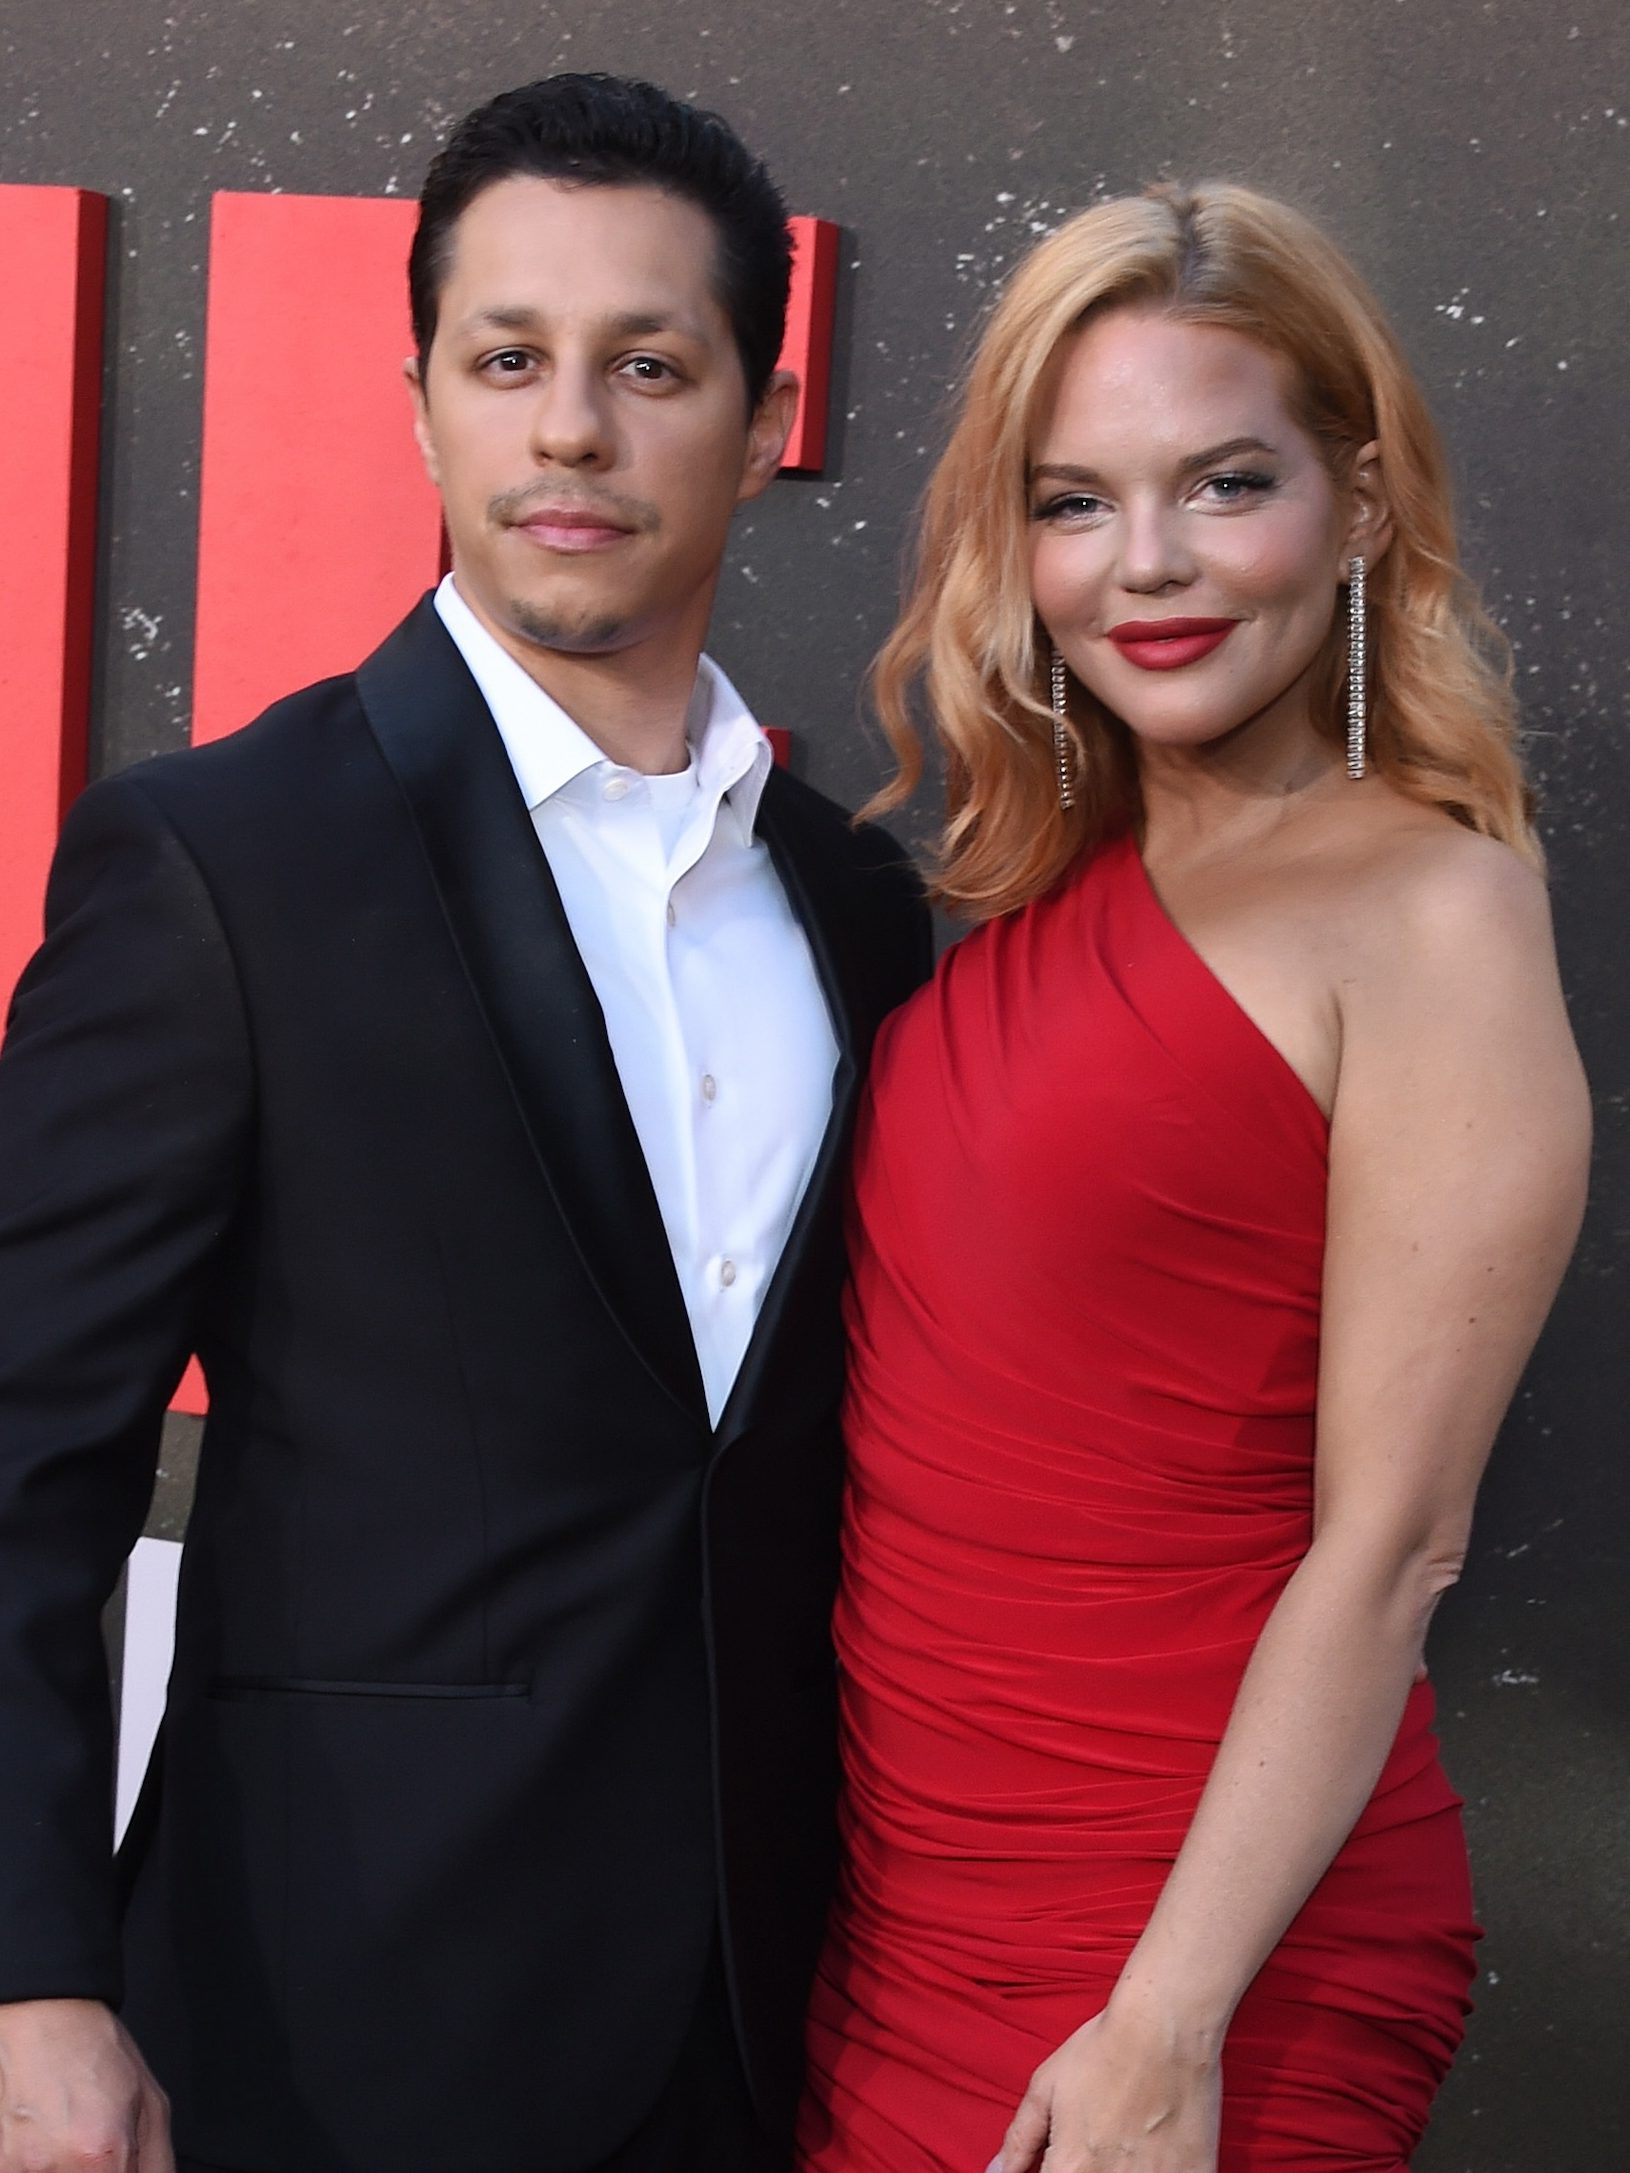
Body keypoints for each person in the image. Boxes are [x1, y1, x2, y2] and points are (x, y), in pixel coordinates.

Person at [0, 72, 930, 2173]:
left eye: (647, 365)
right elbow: (22, 1462)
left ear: (765, 415)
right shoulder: (219, 860)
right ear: (420, 401)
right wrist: (30, 1977)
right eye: (506, 359)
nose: (570, 429)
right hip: (338, 2024)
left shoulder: (861, 904)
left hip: (776, 2020)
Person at [797, 182, 1590, 2173]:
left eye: (1220, 483)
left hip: (1203, 1939)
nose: (1141, 564)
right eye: (1071, 501)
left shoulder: (1433, 910)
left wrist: (1164, 2015)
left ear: (1360, 500)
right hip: (905, 1909)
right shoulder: (1029, 887)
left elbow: (1394, 1542)